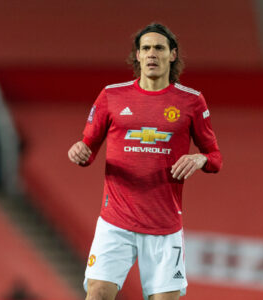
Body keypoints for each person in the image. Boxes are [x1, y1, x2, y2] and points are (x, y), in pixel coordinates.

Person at [68, 23, 222, 300]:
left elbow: (215, 157)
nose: (152, 53)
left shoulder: (191, 102)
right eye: (146, 48)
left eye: (159, 48)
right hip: (115, 221)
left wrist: (200, 158)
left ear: (172, 55)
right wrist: (79, 152)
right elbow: (87, 149)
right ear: (137, 56)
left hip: (164, 227)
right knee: (98, 293)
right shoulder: (111, 96)